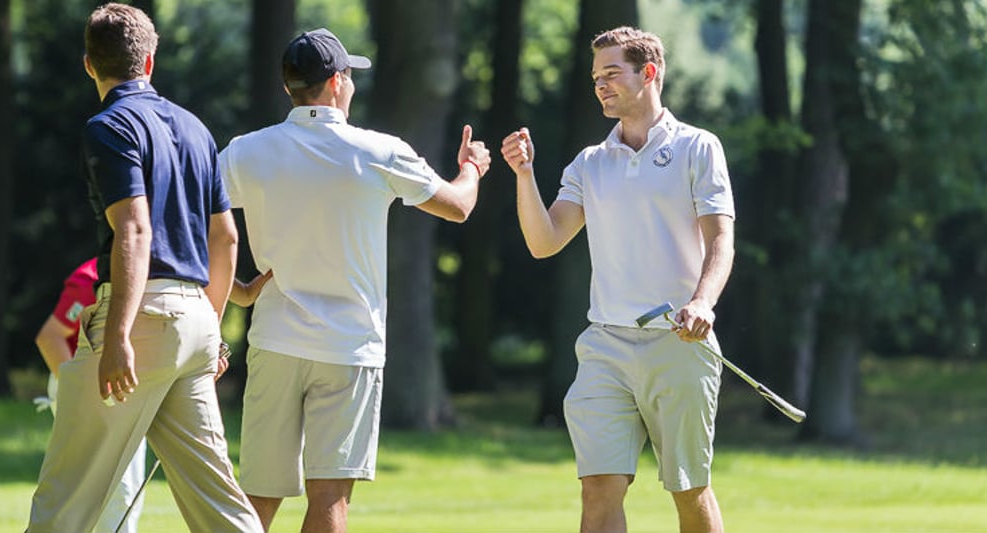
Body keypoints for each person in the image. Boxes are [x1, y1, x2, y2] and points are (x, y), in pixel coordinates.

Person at [218, 28, 491, 533]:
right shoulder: (378, 150)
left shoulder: (244, 152)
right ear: (339, 82)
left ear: (289, 89)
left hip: (274, 339)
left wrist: (236, 291)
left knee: (256, 500)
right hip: (349, 345)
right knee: (330, 501)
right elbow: (458, 207)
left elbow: (192, 225)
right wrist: (472, 167)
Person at [26, 4, 262, 532]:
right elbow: (224, 237)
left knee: (65, 499)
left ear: (89, 65)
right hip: (198, 323)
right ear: (150, 62)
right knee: (220, 507)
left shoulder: (107, 126)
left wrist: (117, 335)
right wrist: (213, 327)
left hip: (141, 321)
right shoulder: (197, 129)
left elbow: (134, 229)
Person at [501, 25, 735, 533]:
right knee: (598, 487)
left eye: (612, 74)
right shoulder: (590, 162)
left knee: (689, 489)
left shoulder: (699, 147)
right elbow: (545, 242)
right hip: (606, 347)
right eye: (595, 78)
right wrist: (524, 176)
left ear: (648, 73)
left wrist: (703, 303)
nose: (600, 85)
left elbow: (721, 241)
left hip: (680, 343)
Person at [33, 257, 147, 533]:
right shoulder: (93, 277)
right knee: (117, 487)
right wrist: (81, 393)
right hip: (88, 384)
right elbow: (50, 338)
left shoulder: (156, 269)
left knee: (128, 487)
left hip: (125, 386)